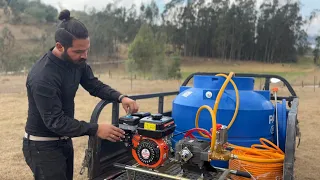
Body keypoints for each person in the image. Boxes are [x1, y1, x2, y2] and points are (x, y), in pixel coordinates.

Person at [22, 9, 139, 180]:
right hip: (42, 147)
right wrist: (96, 128)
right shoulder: (43, 76)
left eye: (86, 50)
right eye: (78, 51)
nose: (84, 56)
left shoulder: (76, 62)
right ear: (59, 46)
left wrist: (121, 97)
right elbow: (55, 121)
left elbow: (94, 85)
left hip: (63, 142)